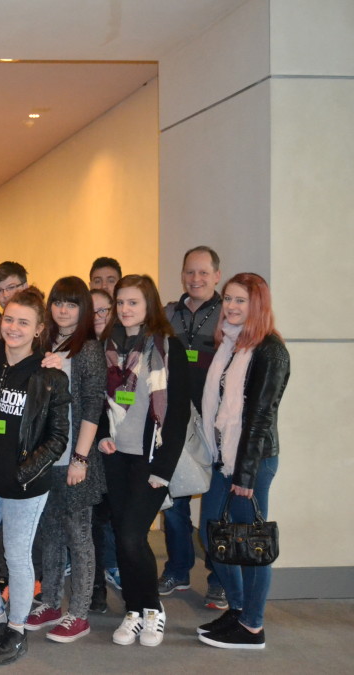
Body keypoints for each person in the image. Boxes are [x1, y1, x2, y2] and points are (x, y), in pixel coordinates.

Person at [0, 287, 71, 666]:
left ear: (39, 328)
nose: (13, 327)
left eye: (24, 322)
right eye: (9, 319)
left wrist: (23, 472)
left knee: (17, 557)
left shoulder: (51, 376)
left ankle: (17, 629)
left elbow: (58, 439)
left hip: (25, 485)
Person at [197, 273, 289, 650]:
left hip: (252, 462)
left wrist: (246, 474)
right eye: (229, 300)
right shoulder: (231, 345)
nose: (232, 307)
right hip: (223, 459)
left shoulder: (270, 351)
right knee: (212, 534)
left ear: (258, 306)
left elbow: (260, 417)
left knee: (251, 545)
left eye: (241, 301)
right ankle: (237, 609)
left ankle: (252, 625)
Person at [97, 274, 190, 648]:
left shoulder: (169, 349)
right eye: (120, 303)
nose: (125, 309)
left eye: (133, 302)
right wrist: (104, 433)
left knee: (134, 536)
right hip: (117, 456)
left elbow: (179, 415)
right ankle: (133, 611)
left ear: (149, 305)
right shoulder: (111, 347)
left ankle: (152, 610)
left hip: (151, 459)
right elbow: (103, 404)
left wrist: (163, 471)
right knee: (122, 535)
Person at [26, 277, 106, 643]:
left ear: (83, 309)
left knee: (79, 536)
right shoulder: (45, 343)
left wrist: (80, 459)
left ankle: (80, 613)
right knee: (51, 535)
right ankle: (51, 602)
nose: (63, 309)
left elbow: (92, 408)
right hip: (48, 458)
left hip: (77, 458)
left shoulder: (88, 349)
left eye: (71, 304)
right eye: (58, 302)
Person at [160, 246, 226, 609]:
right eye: (189, 272)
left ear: (216, 275)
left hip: (216, 425)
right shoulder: (169, 313)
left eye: (203, 273)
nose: (195, 279)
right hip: (178, 423)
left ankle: (218, 578)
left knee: (215, 509)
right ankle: (178, 568)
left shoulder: (227, 314)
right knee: (174, 502)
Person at [88, 285, 117, 613]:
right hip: (92, 447)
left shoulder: (124, 348)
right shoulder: (80, 348)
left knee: (119, 521)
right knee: (94, 521)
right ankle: (97, 590)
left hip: (123, 448)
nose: (97, 318)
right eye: (91, 311)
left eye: (103, 311)